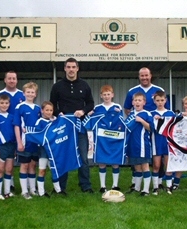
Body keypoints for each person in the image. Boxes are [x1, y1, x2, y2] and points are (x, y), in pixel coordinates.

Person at [50, 57, 94, 193]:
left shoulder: (84, 85)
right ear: (64, 69)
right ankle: (61, 187)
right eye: (68, 67)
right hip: (64, 128)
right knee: (64, 156)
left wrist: (83, 111)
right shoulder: (57, 86)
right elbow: (52, 105)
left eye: (73, 67)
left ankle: (85, 186)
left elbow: (91, 103)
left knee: (83, 157)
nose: (71, 70)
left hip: (80, 127)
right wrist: (59, 114)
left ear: (77, 68)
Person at [124, 67, 168, 189]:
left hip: (154, 127)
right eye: (142, 76)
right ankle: (135, 183)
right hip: (138, 129)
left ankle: (158, 183)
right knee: (138, 156)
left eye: (146, 75)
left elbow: (165, 109)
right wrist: (135, 120)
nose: (144, 78)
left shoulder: (159, 89)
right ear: (139, 77)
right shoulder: (132, 91)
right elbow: (127, 108)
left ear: (150, 76)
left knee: (156, 155)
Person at [83, 85, 126, 193]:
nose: (106, 96)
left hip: (115, 139)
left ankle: (115, 185)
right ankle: (102, 186)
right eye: (104, 95)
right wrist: (89, 115)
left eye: (108, 94)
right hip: (101, 140)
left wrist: (118, 112)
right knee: (102, 162)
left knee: (115, 162)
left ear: (112, 95)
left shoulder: (117, 107)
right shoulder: (97, 108)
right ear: (101, 96)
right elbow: (88, 122)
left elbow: (121, 122)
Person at [0, 71, 25, 191]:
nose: (12, 80)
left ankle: (9, 186)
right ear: (5, 80)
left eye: (14, 78)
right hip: (0, 135)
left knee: (10, 164)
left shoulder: (23, 95)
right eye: (9, 78)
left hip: (15, 134)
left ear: (17, 80)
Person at [13, 82, 41, 199]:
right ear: (24, 93)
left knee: (33, 165)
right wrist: (19, 142)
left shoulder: (38, 108)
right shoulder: (19, 107)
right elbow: (16, 125)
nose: (30, 94)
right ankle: (24, 191)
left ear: (35, 94)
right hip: (24, 142)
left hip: (35, 143)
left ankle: (33, 189)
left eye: (32, 92)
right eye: (28, 92)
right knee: (24, 165)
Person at [125, 92, 154, 196]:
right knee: (137, 167)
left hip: (143, 145)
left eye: (139, 100)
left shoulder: (147, 114)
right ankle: (136, 188)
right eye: (135, 100)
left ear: (144, 102)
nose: (137, 102)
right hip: (132, 145)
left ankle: (145, 190)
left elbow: (151, 128)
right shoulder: (130, 115)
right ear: (132, 102)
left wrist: (141, 121)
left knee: (145, 166)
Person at [34, 101, 62, 197]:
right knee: (42, 170)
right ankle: (41, 192)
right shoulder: (39, 122)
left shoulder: (56, 120)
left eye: (51, 110)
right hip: (44, 150)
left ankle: (58, 190)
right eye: (47, 110)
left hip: (54, 150)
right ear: (42, 110)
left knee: (55, 170)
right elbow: (38, 136)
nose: (49, 112)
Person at [151, 91, 175, 195]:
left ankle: (169, 186)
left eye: (162, 100)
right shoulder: (151, 113)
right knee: (156, 165)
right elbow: (150, 128)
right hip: (156, 142)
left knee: (168, 164)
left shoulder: (171, 113)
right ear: (154, 101)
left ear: (165, 100)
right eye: (157, 100)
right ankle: (156, 187)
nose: (160, 102)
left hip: (168, 142)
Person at [0, 94, 16, 200]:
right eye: (2, 103)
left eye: (6, 103)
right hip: (1, 147)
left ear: (9, 104)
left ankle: (7, 192)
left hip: (11, 146)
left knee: (9, 169)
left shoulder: (11, 117)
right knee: (0, 169)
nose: (4, 105)